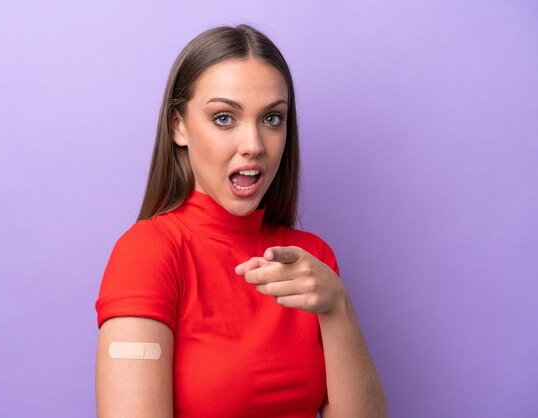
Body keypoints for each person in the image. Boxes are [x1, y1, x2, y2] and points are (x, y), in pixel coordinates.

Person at [94, 24, 387, 418]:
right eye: (224, 118)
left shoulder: (311, 260)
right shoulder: (148, 252)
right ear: (178, 126)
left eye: (271, 119)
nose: (253, 145)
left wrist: (338, 307)